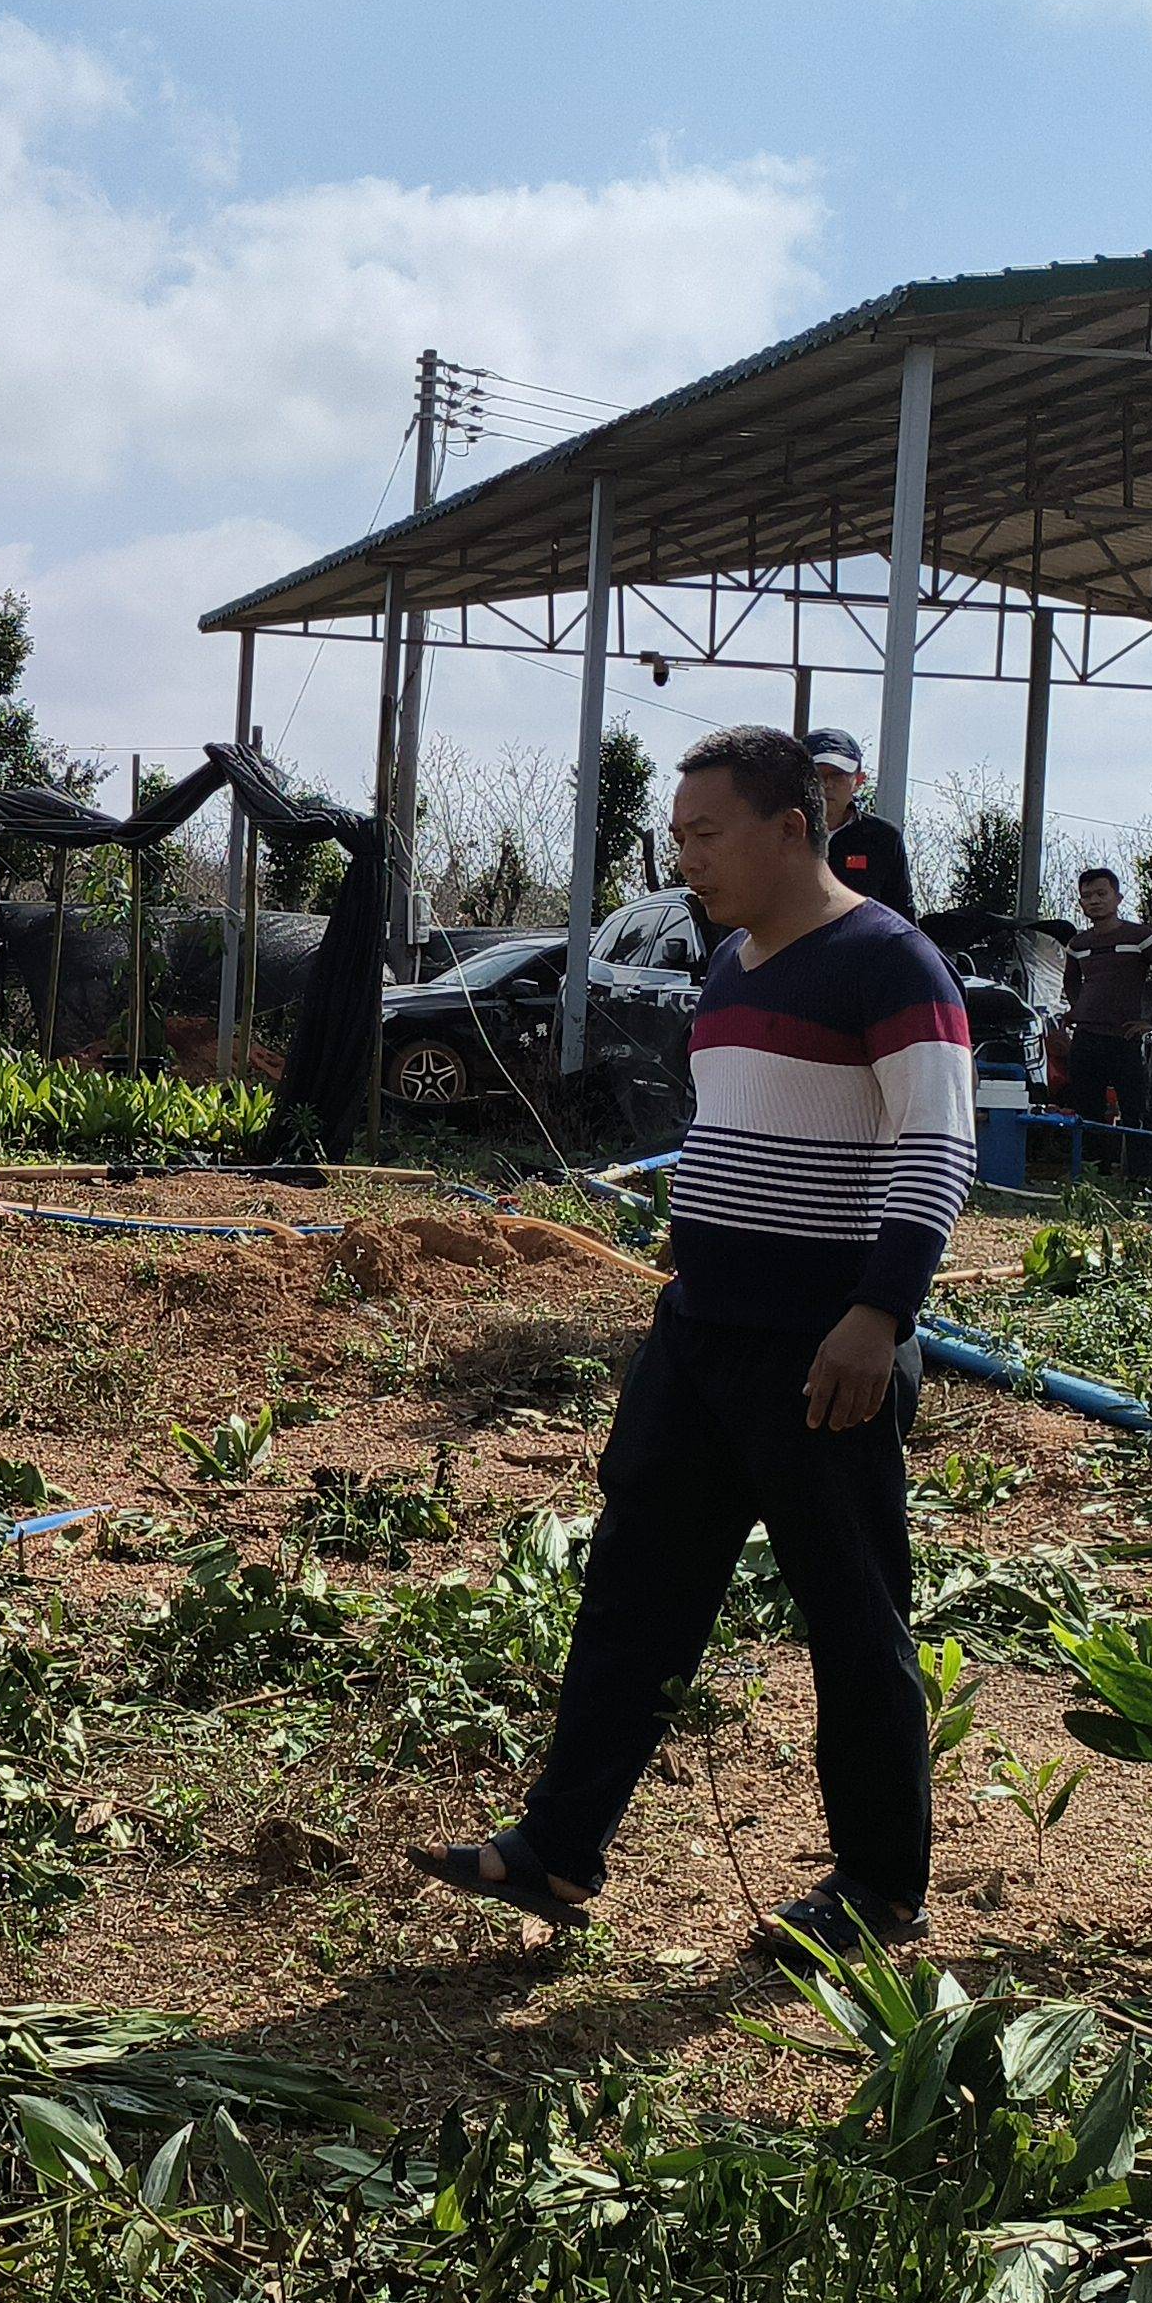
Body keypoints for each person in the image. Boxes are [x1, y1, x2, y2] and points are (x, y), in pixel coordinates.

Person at [414, 724, 972, 1957]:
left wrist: (879, 1317)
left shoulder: (889, 962)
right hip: (701, 1333)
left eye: (706, 834)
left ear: (792, 829)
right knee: (634, 1593)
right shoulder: (728, 967)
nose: (686, 858)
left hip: (821, 1345)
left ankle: (880, 1888)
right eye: (676, 836)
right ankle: (559, 1849)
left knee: (850, 1616)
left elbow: (937, 1151)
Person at [1037, 863, 1152, 1127]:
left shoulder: (1140, 936)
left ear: (1118, 898)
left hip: (1125, 1036)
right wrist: (1080, 1009)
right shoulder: (1078, 943)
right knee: (1086, 1111)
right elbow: (1071, 981)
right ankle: (1093, 1167)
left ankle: (1138, 1168)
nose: (1094, 901)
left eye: (1101, 894)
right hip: (1086, 1039)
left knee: (1134, 1110)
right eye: (1087, 896)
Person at [806, 724, 915, 915]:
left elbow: (900, 915)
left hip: (860, 944)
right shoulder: (774, 833)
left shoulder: (882, 838)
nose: (827, 784)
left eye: (838, 775)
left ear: (859, 781)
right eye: (818, 775)